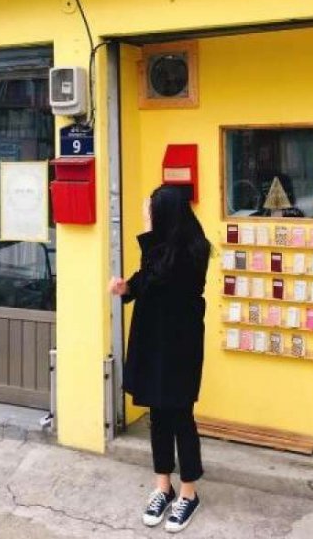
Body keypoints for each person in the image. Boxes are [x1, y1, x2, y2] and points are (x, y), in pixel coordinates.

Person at [109, 185, 211, 533]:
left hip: (179, 345)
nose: (147, 216)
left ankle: (188, 493)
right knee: (158, 415)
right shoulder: (164, 248)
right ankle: (162, 487)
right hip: (155, 341)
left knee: (180, 415)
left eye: (151, 210)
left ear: (166, 214)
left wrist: (149, 233)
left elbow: (160, 278)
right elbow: (145, 280)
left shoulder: (190, 251)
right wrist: (127, 288)